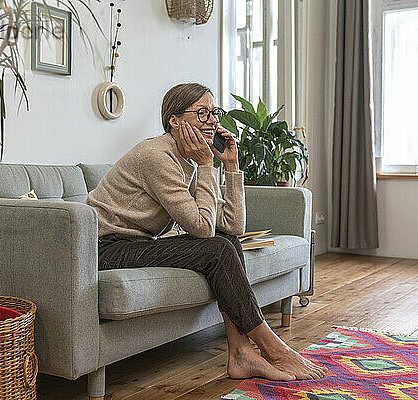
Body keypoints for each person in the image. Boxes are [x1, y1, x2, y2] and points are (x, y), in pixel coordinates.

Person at [85, 83, 328, 381]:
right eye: (202, 113)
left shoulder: (191, 159)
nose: (213, 120)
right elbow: (202, 228)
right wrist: (205, 164)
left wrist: (232, 165)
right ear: (174, 121)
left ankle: (241, 353)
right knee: (217, 248)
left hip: (137, 243)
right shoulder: (157, 156)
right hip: (105, 249)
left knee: (225, 242)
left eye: (214, 112)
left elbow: (232, 227)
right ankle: (273, 349)